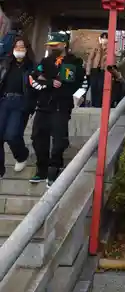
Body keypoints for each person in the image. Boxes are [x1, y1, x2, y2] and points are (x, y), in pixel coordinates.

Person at [29, 32, 85, 187]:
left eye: (55, 45)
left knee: (59, 140)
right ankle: (41, 169)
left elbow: (83, 83)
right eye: (50, 46)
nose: (52, 48)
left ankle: (54, 167)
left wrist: (75, 97)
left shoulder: (76, 63)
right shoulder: (46, 61)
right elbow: (33, 78)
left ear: (64, 44)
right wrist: (48, 83)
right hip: (43, 105)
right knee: (37, 137)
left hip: (62, 106)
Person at [0, 36, 34, 178]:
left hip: (21, 102)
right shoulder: (6, 63)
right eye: (17, 47)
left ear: (27, 49)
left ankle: (21, 155)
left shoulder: (31, 66)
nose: (19, 50)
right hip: (4, 100)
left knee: (12, 135)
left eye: (22, 47)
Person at [86, 32, 108, 107]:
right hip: (94, 69)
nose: (104, 39)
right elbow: (90, 59)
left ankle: (99, 104)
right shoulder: (96, 47)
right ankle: (93, 104)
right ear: (100, 39)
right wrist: (88, 71)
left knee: (100, 87)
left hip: (103, 70)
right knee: (94, 86)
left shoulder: (109, 49)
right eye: (103, 38)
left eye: (106, 38)